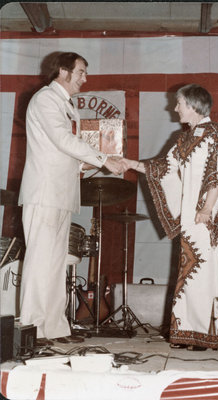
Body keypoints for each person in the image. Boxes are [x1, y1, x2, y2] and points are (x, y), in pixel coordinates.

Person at [121, 84, 218, 350]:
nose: (174, 108)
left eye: (179, 103)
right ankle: (188, 332)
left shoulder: (215, 133)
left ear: (194, 105)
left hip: (208, 215)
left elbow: (217, 173)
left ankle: (208, 334)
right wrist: (130, 163)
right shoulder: (184, 137)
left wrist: (207, 209)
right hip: (191, 216)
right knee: (190, 272)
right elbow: (163, 167)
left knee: (208, 271)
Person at [18, 52, 124, 345]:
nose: (85, 79)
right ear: (63, 72)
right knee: (40, 262)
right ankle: (31, 329)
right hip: (44, 192)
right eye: (81, 72)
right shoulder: (45, 100)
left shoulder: (66, 105)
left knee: (56, 264)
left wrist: (85, 164)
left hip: (61, 194)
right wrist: (103, 158)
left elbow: (63, 153)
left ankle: (53, 328)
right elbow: (63, 141)